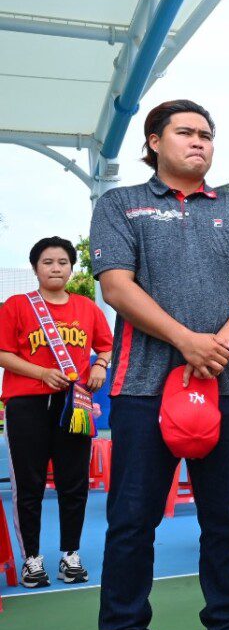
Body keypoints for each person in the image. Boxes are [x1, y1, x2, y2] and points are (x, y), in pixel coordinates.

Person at [90, 100, 229, 630]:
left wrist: (218, 342)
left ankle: (227, 629)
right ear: (153, 141)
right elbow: (117, 286)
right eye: (186, 133)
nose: (199, 143)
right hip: (144, 387)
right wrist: (184, 341)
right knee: (131, 520)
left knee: (226, 519)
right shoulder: (120, 204)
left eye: (207, 135)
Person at [0, 237, 112, 589]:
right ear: (35, 267)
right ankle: (32, 559)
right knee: (30, 485)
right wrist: (40, 373)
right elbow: (2, 353)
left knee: (74, 483)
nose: (56, 268)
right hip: (27, 404)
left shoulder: (86, 308)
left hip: (73, 405)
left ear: (72, 268)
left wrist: (101, 367)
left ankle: (71, 555)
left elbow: (106, 346)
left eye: (63, 262)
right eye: (47, 262)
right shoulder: (17, 306)